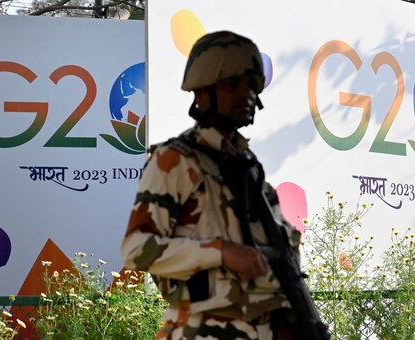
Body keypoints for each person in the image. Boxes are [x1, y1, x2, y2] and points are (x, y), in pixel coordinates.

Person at [121, 31, 301, 340]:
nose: (245, 94)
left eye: (250, 84)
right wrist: (220, 252)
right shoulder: (175, 161)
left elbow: (283, 250)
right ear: (201, 93)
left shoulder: (247, 165)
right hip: (201, 330)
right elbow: (137, 251)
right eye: (231, 84)